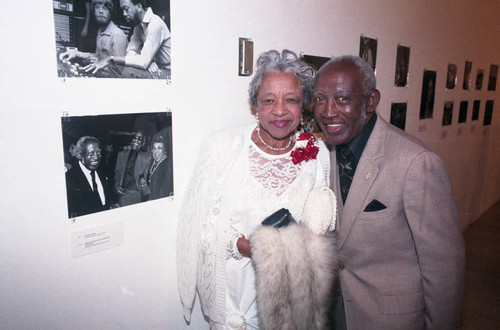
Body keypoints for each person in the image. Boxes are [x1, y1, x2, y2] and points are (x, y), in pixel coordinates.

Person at [177, 50, 337, 329]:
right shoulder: (222, 146)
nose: (280, 110)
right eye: (268, 100)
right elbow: (199, 226)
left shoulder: (316, 152)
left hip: (292, 309)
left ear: (304, 105)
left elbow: (320, 227)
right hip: (234, 306)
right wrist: (245, 246)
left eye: (292, 100)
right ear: (255, 104)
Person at [312, 55, 465, 329]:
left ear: (370, 101)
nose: (328, 111)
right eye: (320, 98)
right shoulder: (324, 153)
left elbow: (444, 271)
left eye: (343, 98)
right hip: (338, 314)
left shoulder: (416, 163)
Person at [85, 0, 171, 78]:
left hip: (169, 70)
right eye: (122, 10)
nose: (124, 14)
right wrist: (148, 61)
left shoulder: (155, 24)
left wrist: (111, 58)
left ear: (139, 7)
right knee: (129, 69)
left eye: (126, 9)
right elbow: (129, 53)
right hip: (155, 67)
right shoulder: (138, 28)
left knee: (128, 72)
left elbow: (143, 62)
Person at [60, 0, 128, 78]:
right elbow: (97, 56)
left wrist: (100, 64)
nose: (101, 11)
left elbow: (119, 72)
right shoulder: (100, 30)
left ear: (111, 12)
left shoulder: (117, 36)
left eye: (105, 8)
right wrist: (77, 54)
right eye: (97, 7)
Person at [65, 136, 115, 217]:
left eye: (98, 153)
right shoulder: (69, 179)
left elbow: (107, 196)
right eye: (91, 153)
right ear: (79, 155)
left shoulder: (101, 172)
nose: (96, 157)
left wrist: (112, 203)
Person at [114, 131, 152, 206]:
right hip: (122, 193)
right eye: (134, 137)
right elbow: (117, 174)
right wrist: (116, 186)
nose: (136, 140)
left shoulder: (147, 158)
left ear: (143, 143)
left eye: (139, 138)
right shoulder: (121, 155)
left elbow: (146, 179)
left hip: (136, 193)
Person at [142, 132, 173, 200]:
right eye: (154, 148)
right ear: (151, 150)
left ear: (165, 150)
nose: (156, 152)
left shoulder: (167, 165)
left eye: (160, 148)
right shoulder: (152, 163)